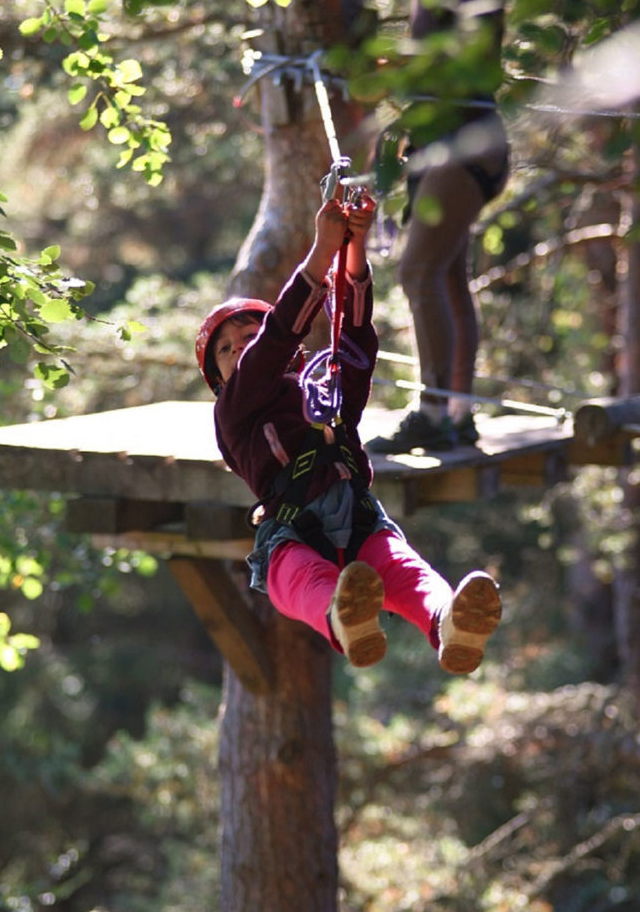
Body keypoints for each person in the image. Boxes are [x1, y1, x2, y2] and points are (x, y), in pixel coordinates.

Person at [195, 191, 501, 673]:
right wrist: (322, 251)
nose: (242, 348)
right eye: (228, 349)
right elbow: (276, 341)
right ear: (219, 377)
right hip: (289, 535)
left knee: (405, 571)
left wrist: (351, 249)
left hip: (357, 518)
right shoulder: (233, 412)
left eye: (249, 335)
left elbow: (354, 338)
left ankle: (449, 622)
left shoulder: (320, 392)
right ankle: (344, 618)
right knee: (305, 576)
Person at [368, 0, 510, 454]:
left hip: (463, 144)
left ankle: (433, 414)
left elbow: (469, 61)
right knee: (447, 276)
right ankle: (457, 411)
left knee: (419, 273)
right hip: (452, 142)